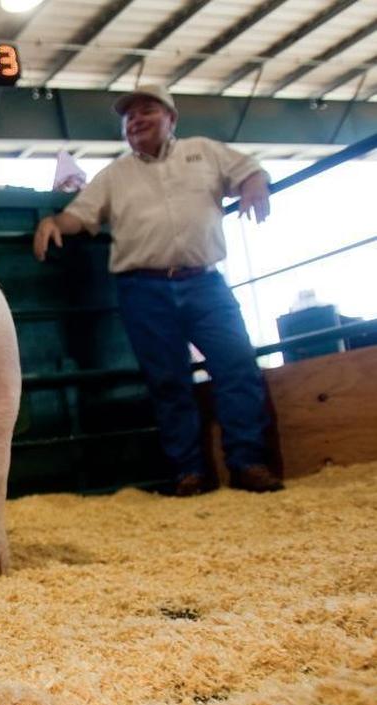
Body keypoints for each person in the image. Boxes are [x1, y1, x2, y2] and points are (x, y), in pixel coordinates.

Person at [32, 83, 283, 497]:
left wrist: (256, 182)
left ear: (171, 118)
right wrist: (55, 224)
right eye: (129, 116)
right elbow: (80, 215)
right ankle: (189, 472)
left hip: (205, 282)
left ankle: (248, 463)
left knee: (237, 366)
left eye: (147, 110)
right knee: (167, 381)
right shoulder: (113, 175)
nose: (136, 120)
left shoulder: (204, 151)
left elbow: (248, 169)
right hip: (143, 288)